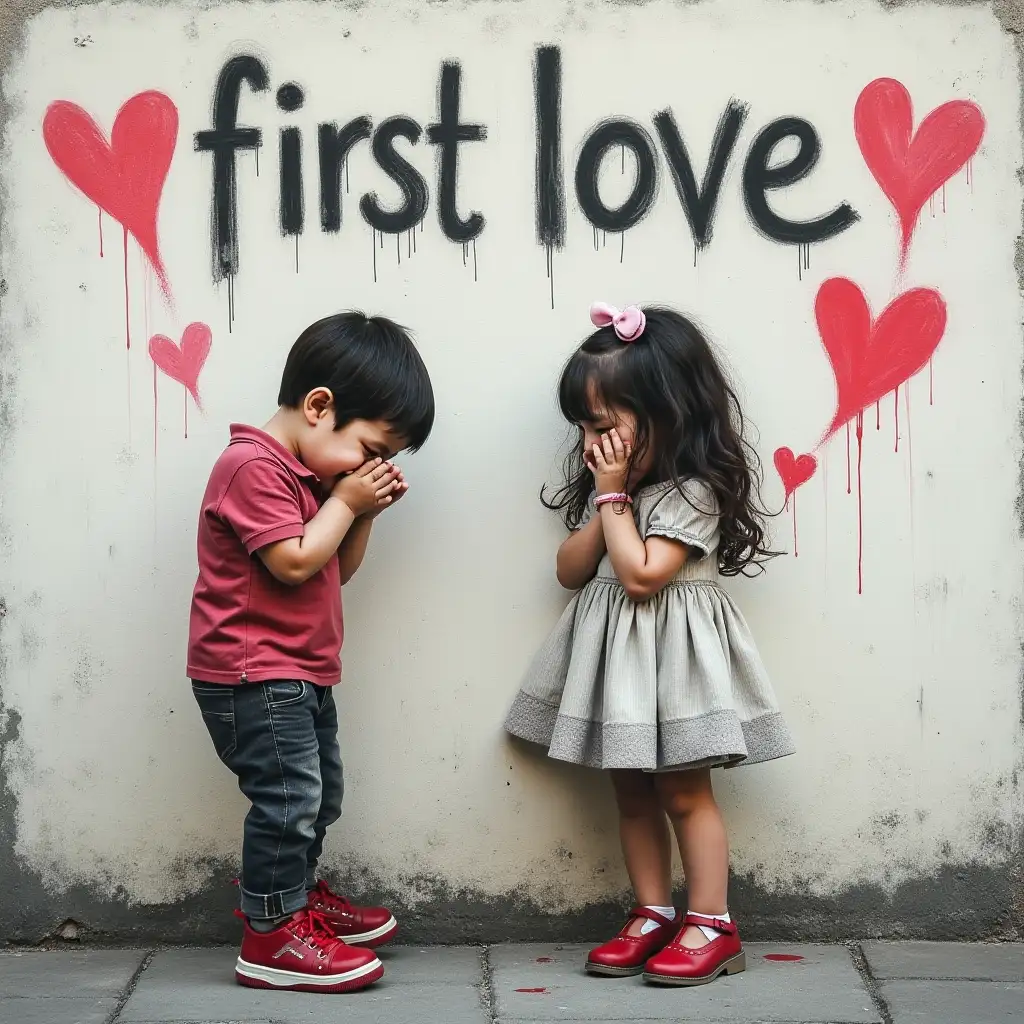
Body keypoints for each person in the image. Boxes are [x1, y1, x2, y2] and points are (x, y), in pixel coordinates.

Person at [506, 303, 795, 987]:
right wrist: (610, 494)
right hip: (621, 670)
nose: (589, 439)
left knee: (685, 793)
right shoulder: (617, 489)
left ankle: (712, 924)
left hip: (674, 668)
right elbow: (572, 570)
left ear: (667, 411)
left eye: (603, 424)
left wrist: (615, 500)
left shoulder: (696, 492)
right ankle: (653, 910)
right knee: (630, 789)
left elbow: (641, 577)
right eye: (583, 425)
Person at [188, 312, 434, 993]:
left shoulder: (310, 482)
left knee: (318, 796)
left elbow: (337, 568)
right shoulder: (251, 467)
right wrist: (345, 501)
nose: (373, 467)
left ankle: (297, 894)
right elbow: (294, 562)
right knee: (288, 800)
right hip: (253, 674)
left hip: (295, 673)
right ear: (320, 406)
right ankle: (271, 933)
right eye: (372, 448)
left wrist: (359, 511)